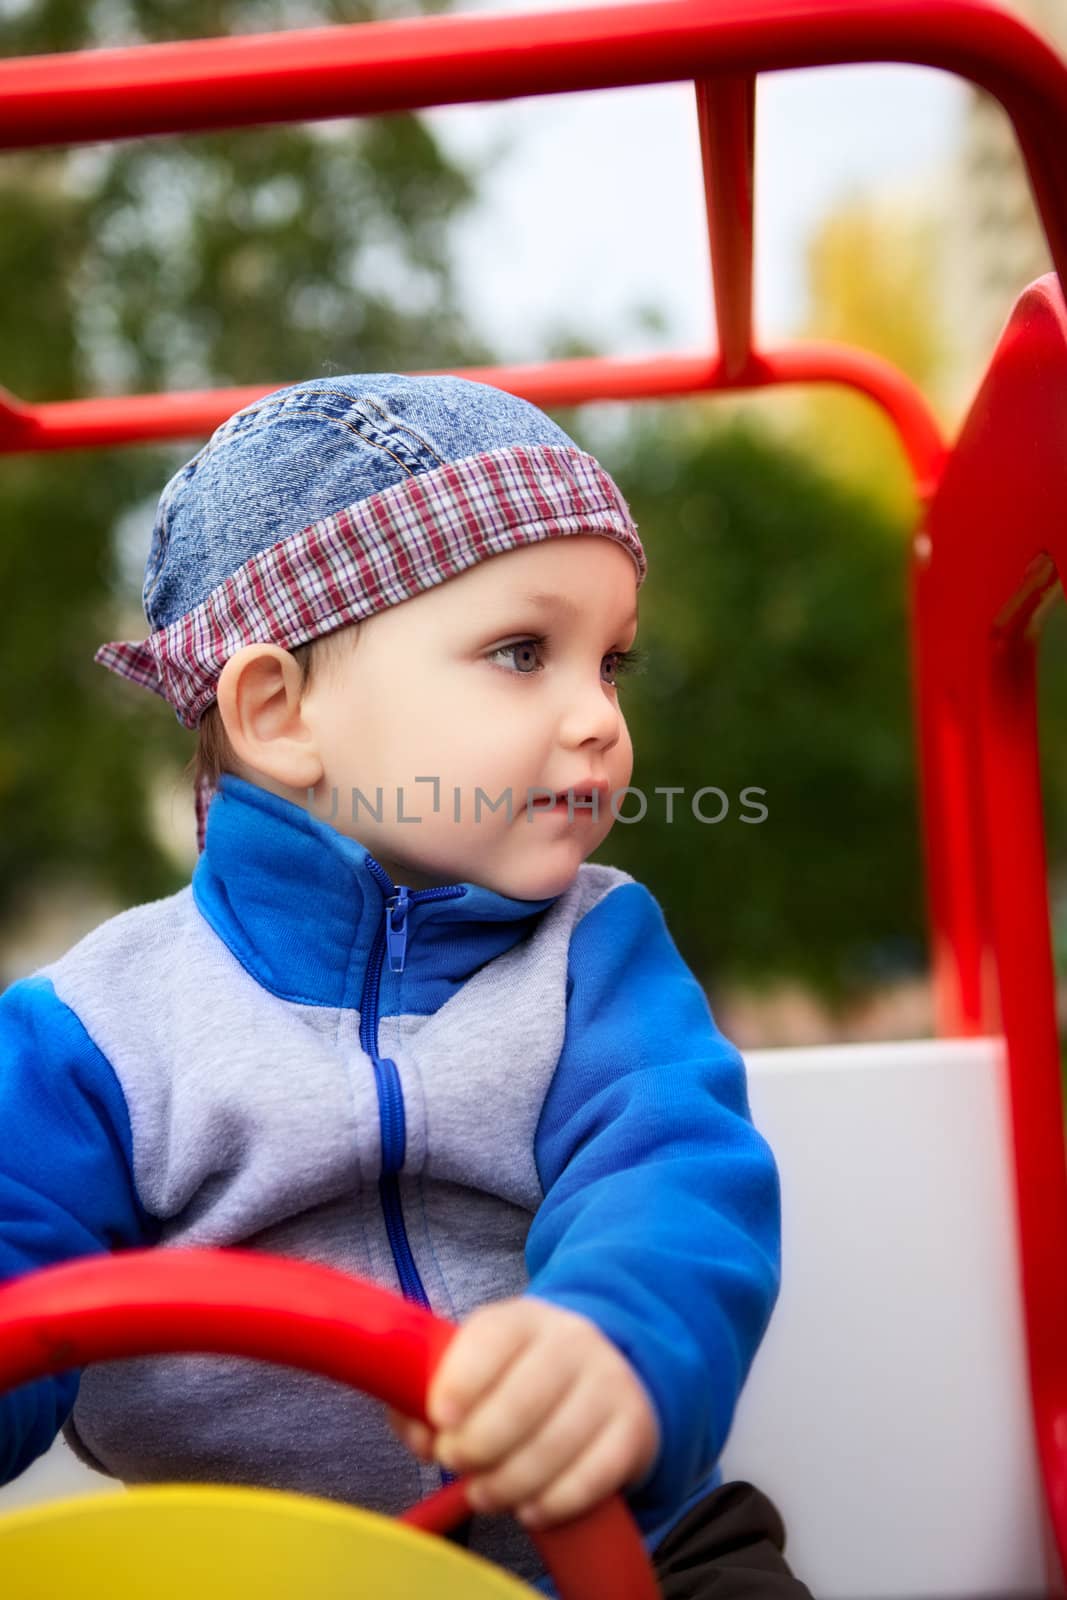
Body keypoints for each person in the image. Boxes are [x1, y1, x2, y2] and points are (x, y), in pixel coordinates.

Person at [0, 373, 810, 1598]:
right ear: (278, 714)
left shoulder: (598, 955)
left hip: (604, 1550)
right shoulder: (96, 1031)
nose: (596, 718)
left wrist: (612, 1344)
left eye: (612, 664)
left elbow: (672, 1175)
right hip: (243, 1574)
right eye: (522, 652)